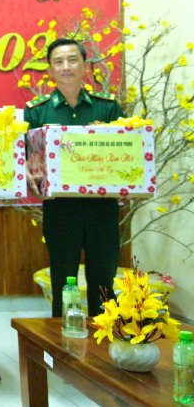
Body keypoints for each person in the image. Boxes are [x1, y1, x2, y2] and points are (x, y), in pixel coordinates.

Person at [26, 37, 123, 317]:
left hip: (102, 209)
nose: (66, 67)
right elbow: (23, 153)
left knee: (103, 280)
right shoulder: (37, 111)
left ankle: (103, 347)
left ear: (84, 66)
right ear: (50, 70)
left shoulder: (107, 109)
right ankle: (63, 346)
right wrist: (29, 174)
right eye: (59, 62)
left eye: (72, 60)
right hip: (60, 208)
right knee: (63, 280)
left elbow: (126, 150)